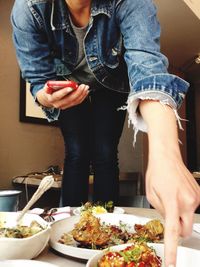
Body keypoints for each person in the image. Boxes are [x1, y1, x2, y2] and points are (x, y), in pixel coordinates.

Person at [11, 0, 200, 266]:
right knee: (76, 154)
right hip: (68, 84)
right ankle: (69, 223)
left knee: (105, 153)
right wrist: (48, 97)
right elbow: (37, 79)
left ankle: (107, 220)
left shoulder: (131, 3)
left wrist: (167, 155)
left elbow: (148, 71)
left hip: (113, 85)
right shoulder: (28, 9)